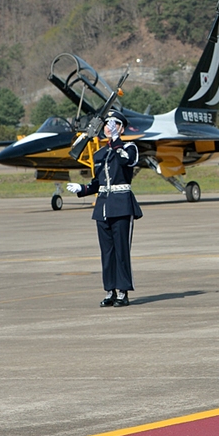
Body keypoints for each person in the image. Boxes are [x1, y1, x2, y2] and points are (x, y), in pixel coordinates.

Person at [66, 111, 143, 307]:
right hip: (103, 208)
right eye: (107, 124)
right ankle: (110, 290)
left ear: (122, 128)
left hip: (121, 205)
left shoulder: (128, 148)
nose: (109, 127)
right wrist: (82, 189)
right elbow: (97, 183)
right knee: (106, 253)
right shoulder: (100, 153)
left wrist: (117, 142)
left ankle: (123, 291)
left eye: (114, 124)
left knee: (121, 251)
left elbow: (128, 161)